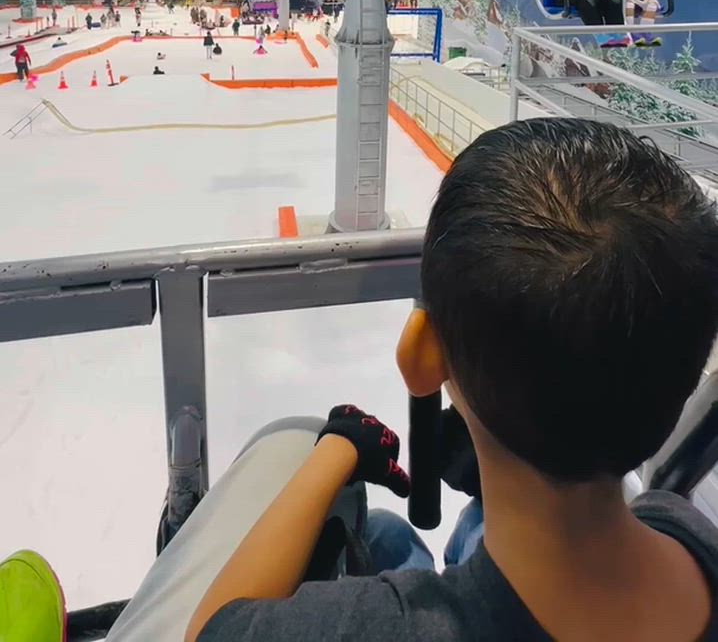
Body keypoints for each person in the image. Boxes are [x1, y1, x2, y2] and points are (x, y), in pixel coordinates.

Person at [108, 120, 718, 642]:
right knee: (450, 527)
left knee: (372, 523)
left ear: (421, 355)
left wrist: (339, 447)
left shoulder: (390, 627)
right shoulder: (684, 530)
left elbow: (215, 627)